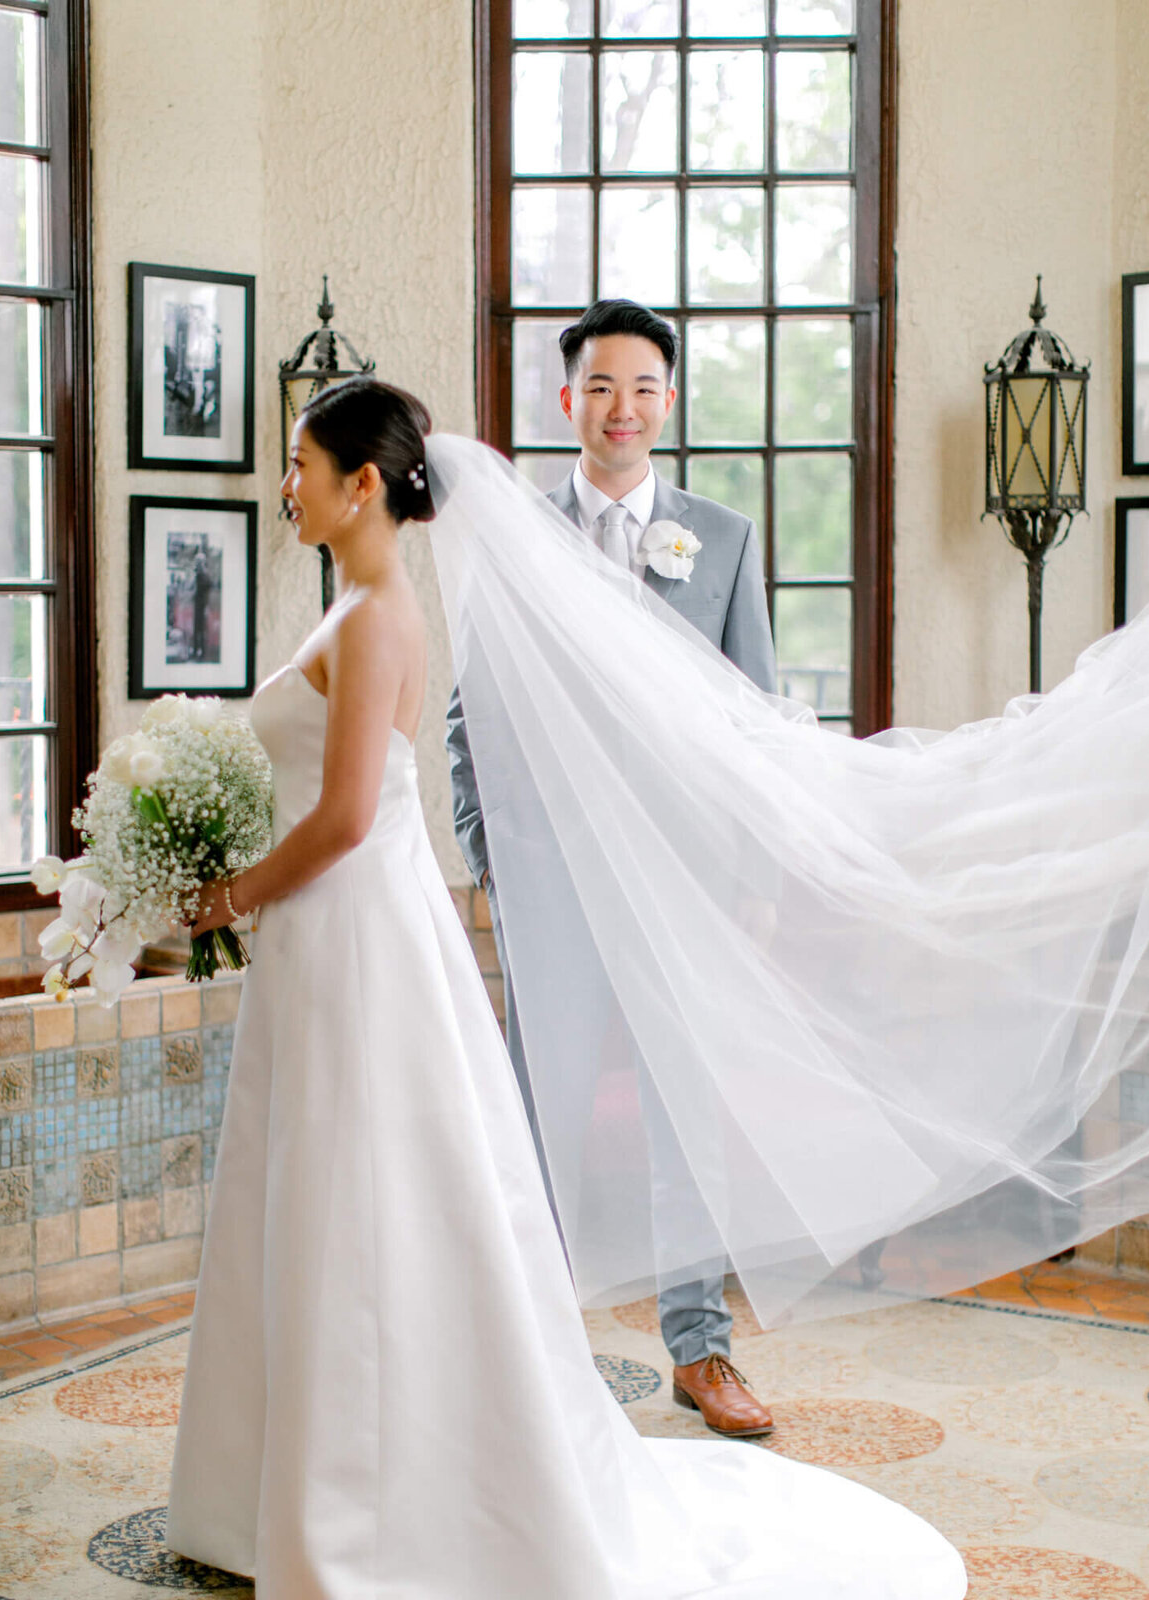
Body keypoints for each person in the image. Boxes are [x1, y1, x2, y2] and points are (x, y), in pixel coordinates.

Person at [167, 375, 966, 1600]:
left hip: (356, 928)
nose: (287, 487)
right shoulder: (360, 605)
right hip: (330, 934)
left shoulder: (377, 615)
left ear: (361, 483)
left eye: (299, 466)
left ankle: (362, 1497)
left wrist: (224, 897)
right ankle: (278, 1482)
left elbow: (344, 817)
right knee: (324, 1182)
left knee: (361, 1188)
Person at [448, 298, 778, 1440]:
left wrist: (743, 877)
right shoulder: (516, 538)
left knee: (688, 1117)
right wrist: (492, 853)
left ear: (668, 401)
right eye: (600, 387)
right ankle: (530, 1354)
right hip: (551, 881)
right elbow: (470, 709)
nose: (621, 408)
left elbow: (752, 720)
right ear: (567, 401)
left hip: (683, 882)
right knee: (539, 1114)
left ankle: (701, 1348)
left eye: (641, 388)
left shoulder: (724, 539)